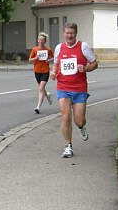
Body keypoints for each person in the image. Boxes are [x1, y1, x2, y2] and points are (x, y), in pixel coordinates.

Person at [50, 22, 98, 158]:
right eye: (67, 33)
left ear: (76, 34)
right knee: (65, 116)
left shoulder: (83, 46)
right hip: (63, 87)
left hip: (79, 88)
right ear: (63, 33)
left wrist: (86, 68)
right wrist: (53, 72)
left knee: (79, 120)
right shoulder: (59, 47)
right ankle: (68, 146)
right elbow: (56, 64)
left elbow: (95, 63)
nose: (69, 36)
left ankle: (82, 127)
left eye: (71, 33)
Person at [29, 32, 54, 114]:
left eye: (42, 40)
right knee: (41, 88)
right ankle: (48, 95)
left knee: (40, 88)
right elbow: (30, 60)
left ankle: (38, 107)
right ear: (37, 40)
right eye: (39, 40)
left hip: (45, 71)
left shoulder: (48, 50)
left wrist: (48, 60)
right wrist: (36, 58)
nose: (40, 41)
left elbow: (52, 58)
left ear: (45, 41)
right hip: (37, 71)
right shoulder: (34, 49)